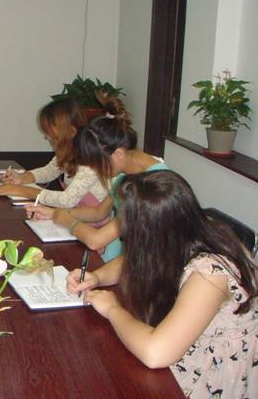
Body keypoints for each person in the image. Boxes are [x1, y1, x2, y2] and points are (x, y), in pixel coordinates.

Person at [67, 170, 257, 398]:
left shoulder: (211, 274)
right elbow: (136, 259)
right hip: (180, 343)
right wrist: (96, 277)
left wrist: (112, 309)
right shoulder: (184, 230)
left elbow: (156, 353)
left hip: (215, 372)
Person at [26, 97, 167, 262]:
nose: (96, 170)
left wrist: (67, 219)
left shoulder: (155, 185)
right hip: (113, 258)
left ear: (118, 154)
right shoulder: (126, 171)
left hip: (135, 266)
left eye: (97, 163)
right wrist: (54, 213)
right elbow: (99, 212)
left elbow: (95, 240)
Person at [0, 98, 107, 209]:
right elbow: (49, 171)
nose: (47, 137)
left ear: (71, 131)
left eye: (49, 132)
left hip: (95, 221)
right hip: (78, 215)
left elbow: (67, 200)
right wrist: (22, 178)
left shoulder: (90, 160)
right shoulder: (69, 151)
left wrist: (22, 191)